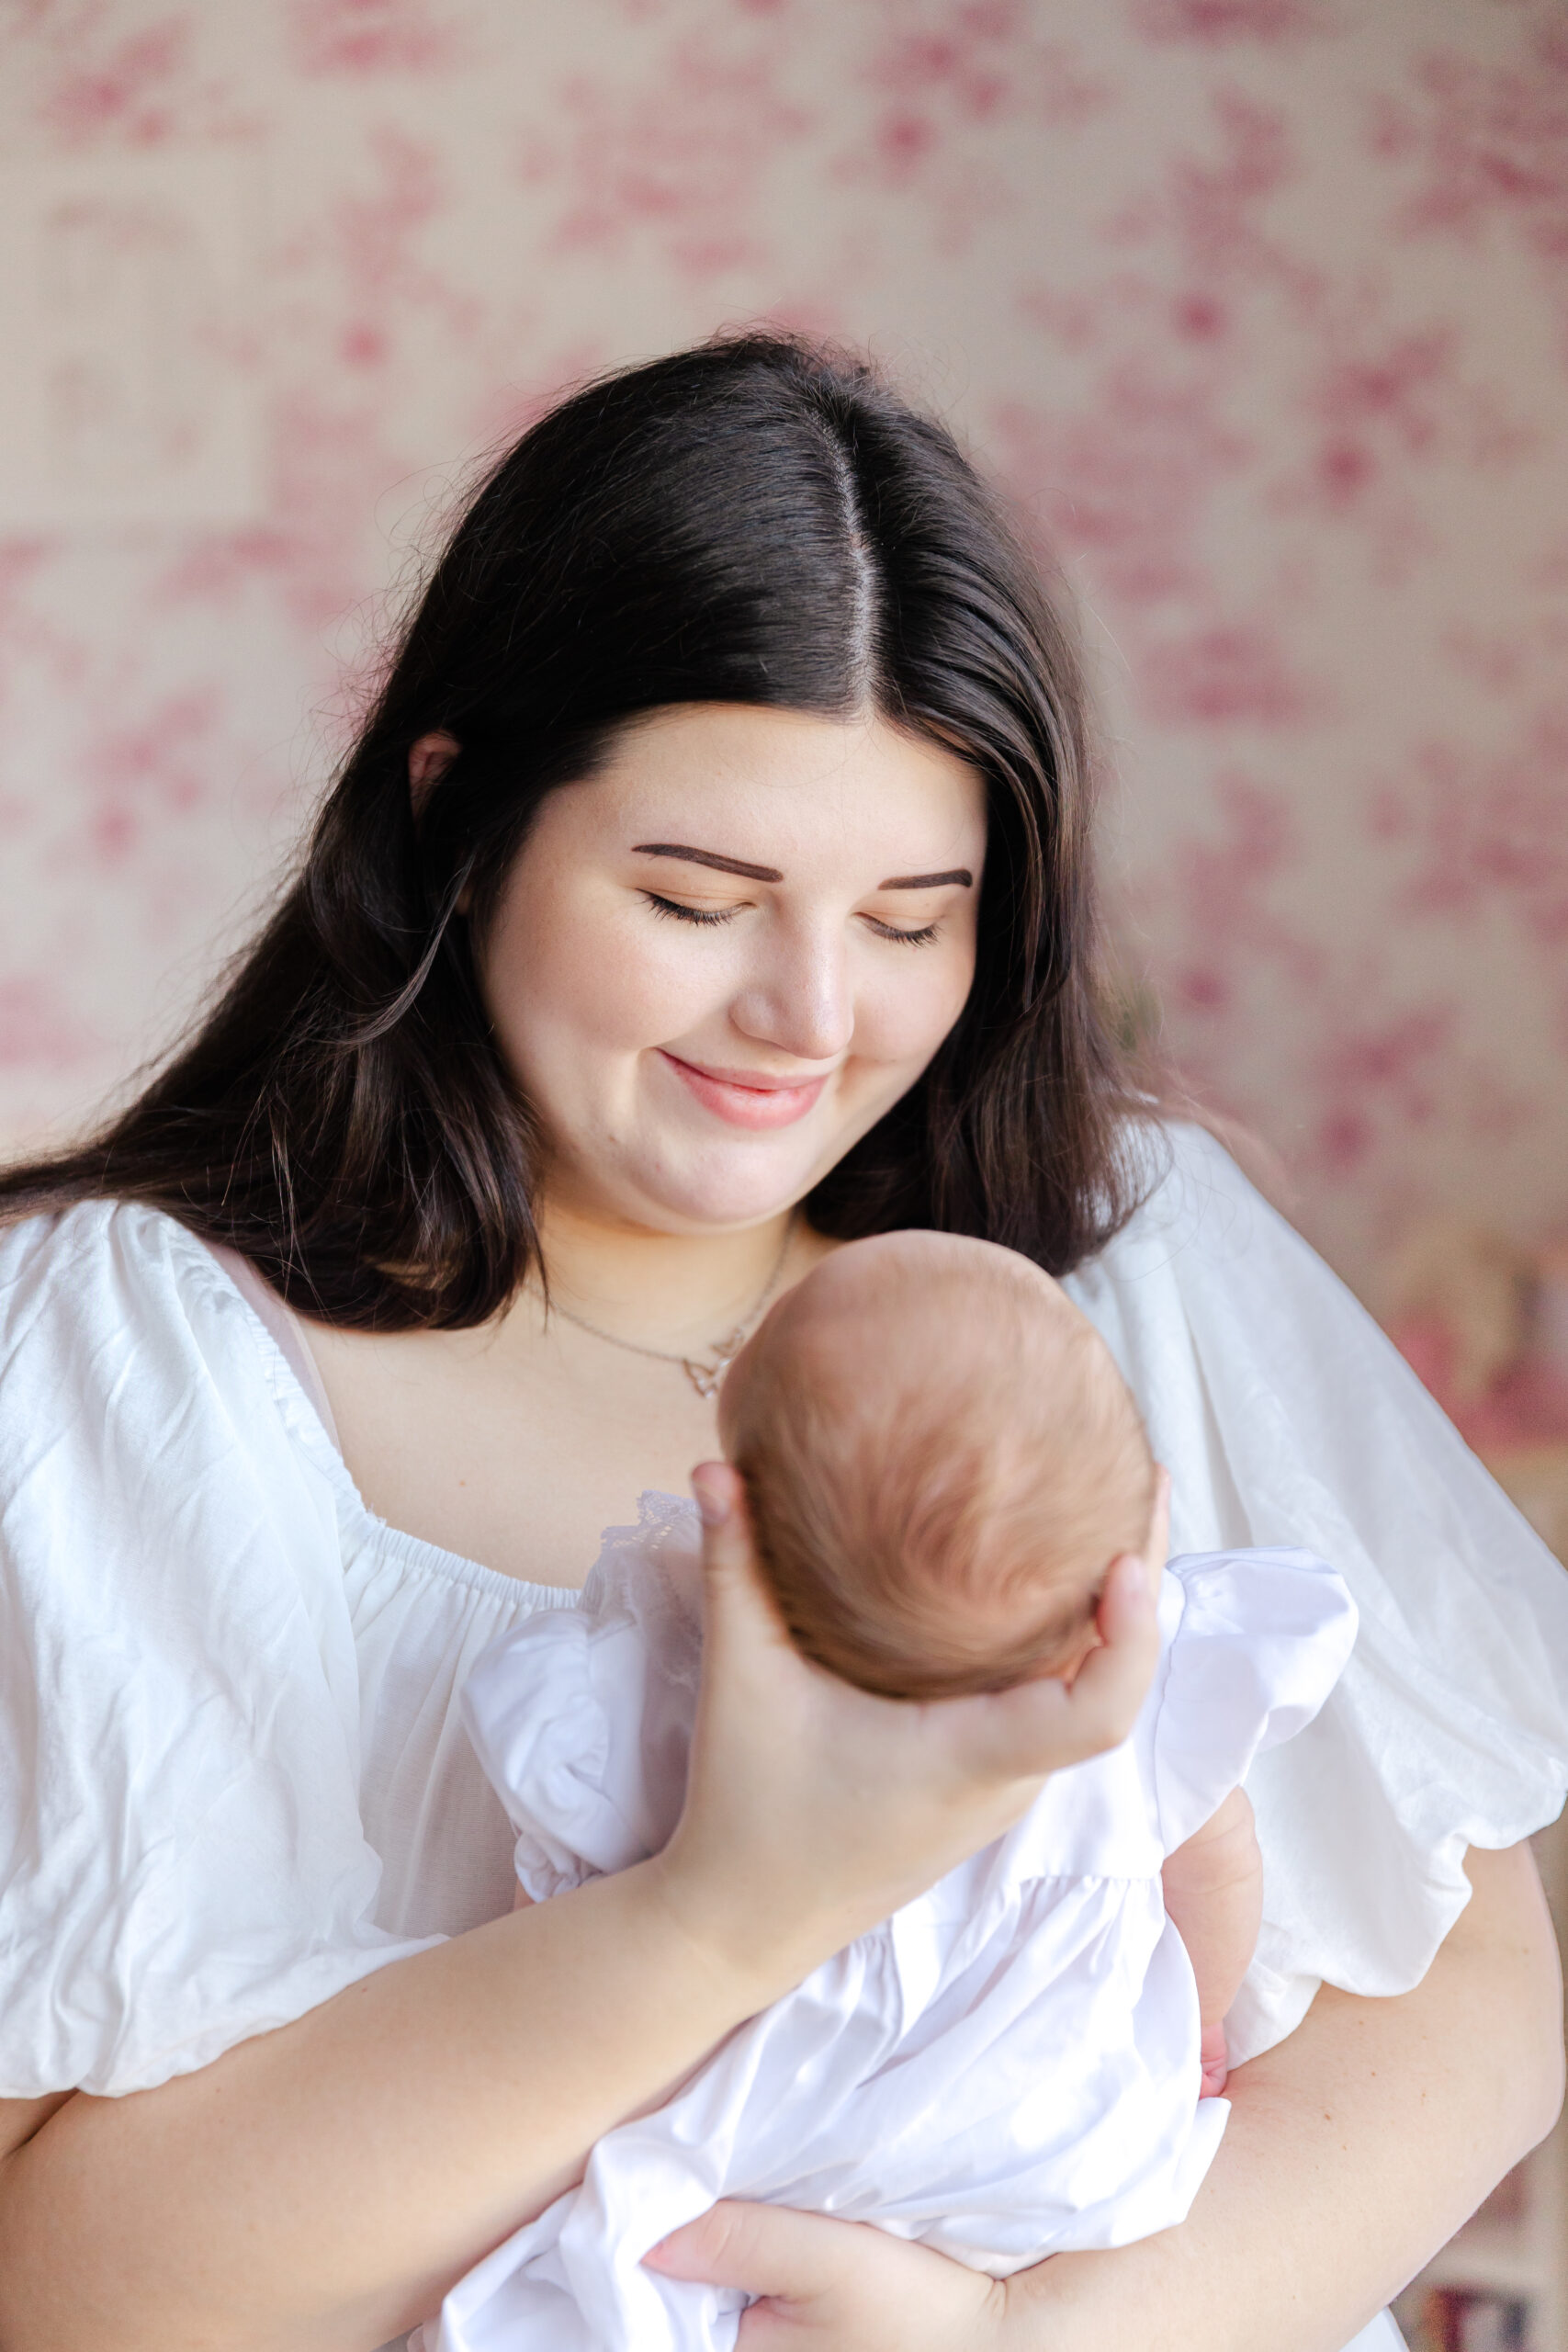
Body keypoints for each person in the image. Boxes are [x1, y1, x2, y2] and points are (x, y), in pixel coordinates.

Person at [0, 334, 1562, 2352]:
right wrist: (720, 1908)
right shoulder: (123, 1364)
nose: (806, 1018)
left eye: (913, 918)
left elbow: (1468, 1999)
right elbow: (64, 2288)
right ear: (455, 813)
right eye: (697, 893)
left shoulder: (1123, 1256)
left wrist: (1018, 2340)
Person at [438, 1231, 1357, 2350]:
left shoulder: (666, 1687)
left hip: (763, 2149)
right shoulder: (1141, 1700)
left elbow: (558, 1929)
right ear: (1141, 1527)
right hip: (1053, 2157)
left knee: (604, 2271)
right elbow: (1218, 1866)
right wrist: (1191, 2022)